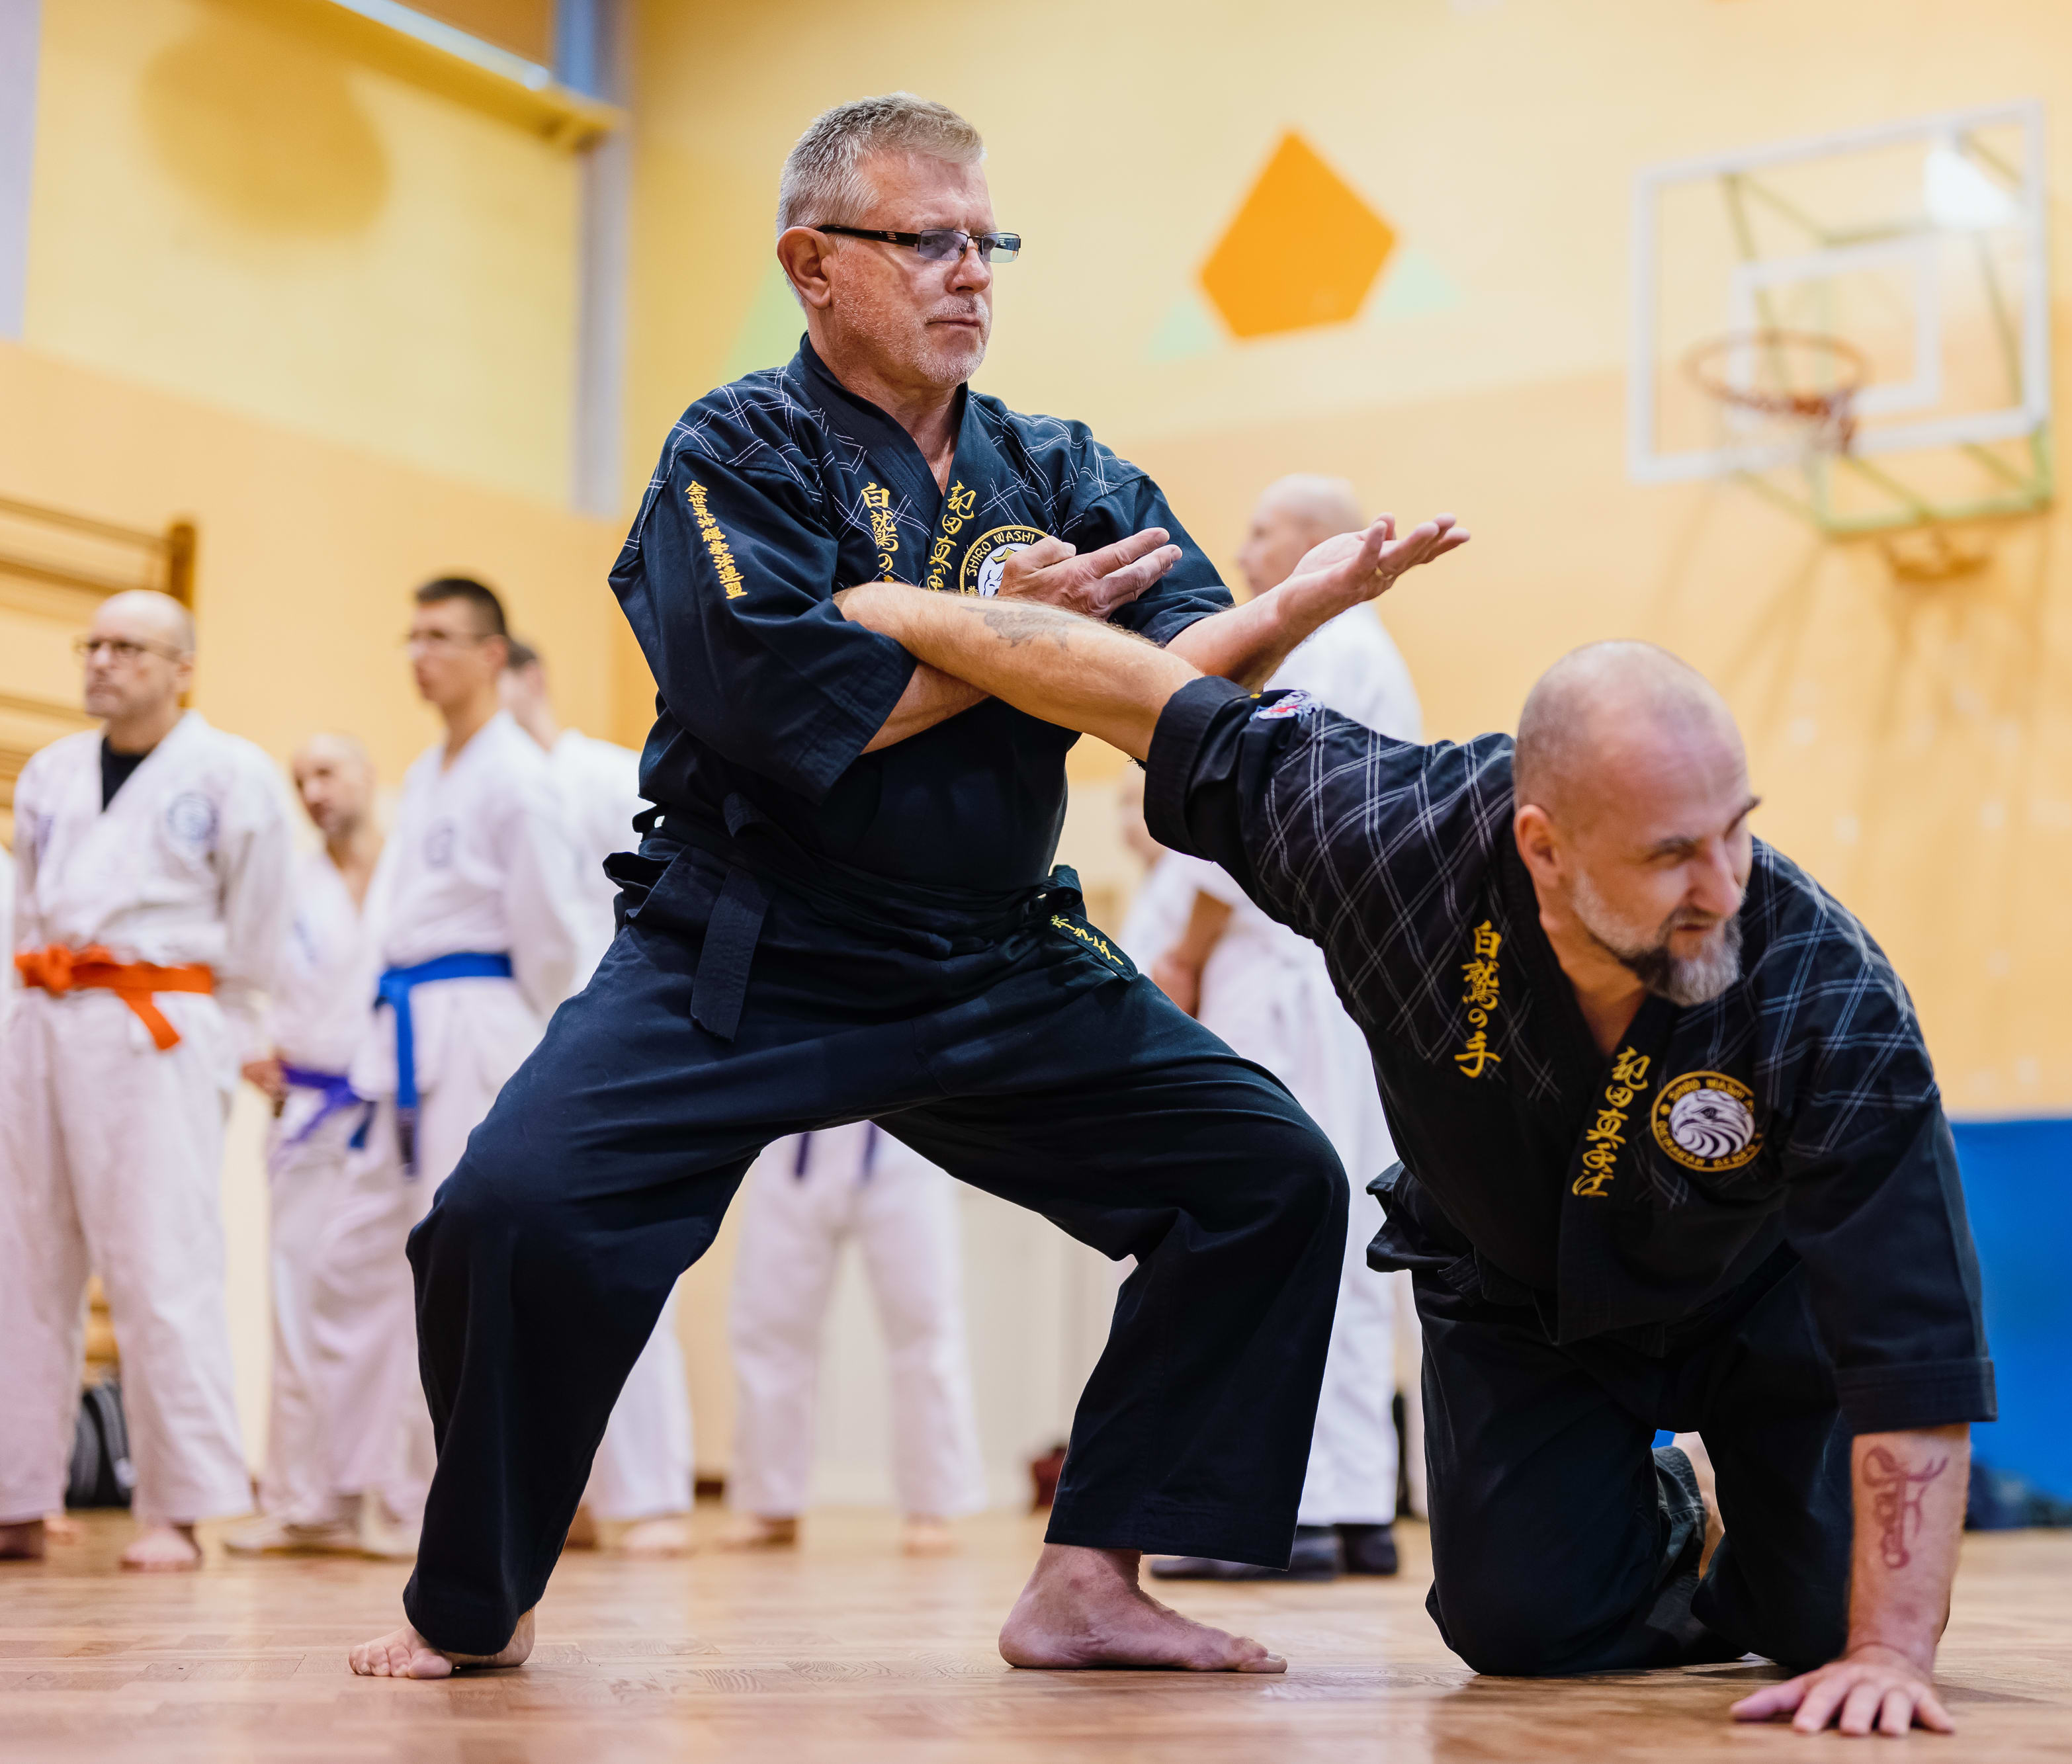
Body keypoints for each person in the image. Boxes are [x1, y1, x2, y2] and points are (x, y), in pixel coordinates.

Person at [348, 91, 1466, 1681]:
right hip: (744, 945)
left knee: (1269, 1176)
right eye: (925, 241)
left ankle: (1088, 1578)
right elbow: (785, 696)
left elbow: (1159, 679)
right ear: (813, 264)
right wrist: (1015, 649)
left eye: (984, 240)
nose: (969, 273)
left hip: (993, 958)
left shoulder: (1057, 465)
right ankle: (474, 1599)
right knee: (508, 1216)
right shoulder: (736, 448)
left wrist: (1278, 610)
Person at [826, 587, 1997, 1739]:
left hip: (1754, 1295)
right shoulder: (1386, 837)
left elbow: (1915, 1339)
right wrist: (905, 611)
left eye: (1739, 828)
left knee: (1829, 1620)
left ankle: (1779, 1564)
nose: (1724, 887)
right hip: (1513, 1291)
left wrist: (1891, 1645)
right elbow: (1143, 692)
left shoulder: (1825, 993)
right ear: (1543, 845)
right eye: (1672, 854)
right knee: (1524, 1632)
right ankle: (1666, 1515)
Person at [1147, 475, 1420, 1583]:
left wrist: (1180, 951)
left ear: (1314, 543)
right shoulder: (1376, 655)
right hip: (1351, 978)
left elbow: (1246, 815)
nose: (1244, 546)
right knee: (1349, 1231)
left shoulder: (1318, 646)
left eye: (1260, 528)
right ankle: (1352, 1499)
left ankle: (1287, 1507)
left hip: (1280, 974)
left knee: (1273, 1222)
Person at [0, 589, 292, 1570]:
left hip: (159, 1026)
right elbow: (33, 910)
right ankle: (18, 1494)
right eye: (95, 644)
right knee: (24, 1259)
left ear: (182, 668)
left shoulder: (233, 773)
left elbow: (258, 924)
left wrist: (238, 1028)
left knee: (162, 1262)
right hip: (46, 1017)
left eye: (130, 647)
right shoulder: (49, 773)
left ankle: (178, 1504)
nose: (102, 661)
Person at [313, 577, 579, 1559]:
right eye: (411, 634)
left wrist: (539, 1044)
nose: (420, 653)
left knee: (452, 1262)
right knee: (354, 1251)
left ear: (491, 655)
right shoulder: (427, 771)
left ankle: (433, 1493)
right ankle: (346, 1485)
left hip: (481, 1021)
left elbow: (554, 932)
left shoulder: (519, 775)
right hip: (404, 1025)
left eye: (440, 636)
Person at [502, 639, 697, 1558]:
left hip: (613, 1024)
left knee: (621, 1256)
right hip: (510, 1033)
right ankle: (557, 1492)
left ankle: (649, 1491)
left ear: (524, 673)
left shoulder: (606, 773)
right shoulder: (472, 782)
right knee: (514, 1263)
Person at [228, 734, 385, 1557]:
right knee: (295, 1303)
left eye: (327, 771)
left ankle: (394, 1498)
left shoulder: (413, 873)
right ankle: (298, 1501)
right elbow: (240, 972)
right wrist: (251, 1046)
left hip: (399, 1112)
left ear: (368, 770)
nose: (313, 791)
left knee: (393, 1310)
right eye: (301, 780)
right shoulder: (287, 879)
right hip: (310, 1109)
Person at [724, 1122, 988, 1555]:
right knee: (769, 1318)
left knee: (923, 1318)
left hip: (905, 1129)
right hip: (795, 1129)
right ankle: (770, 1502)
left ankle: (932, 1504)